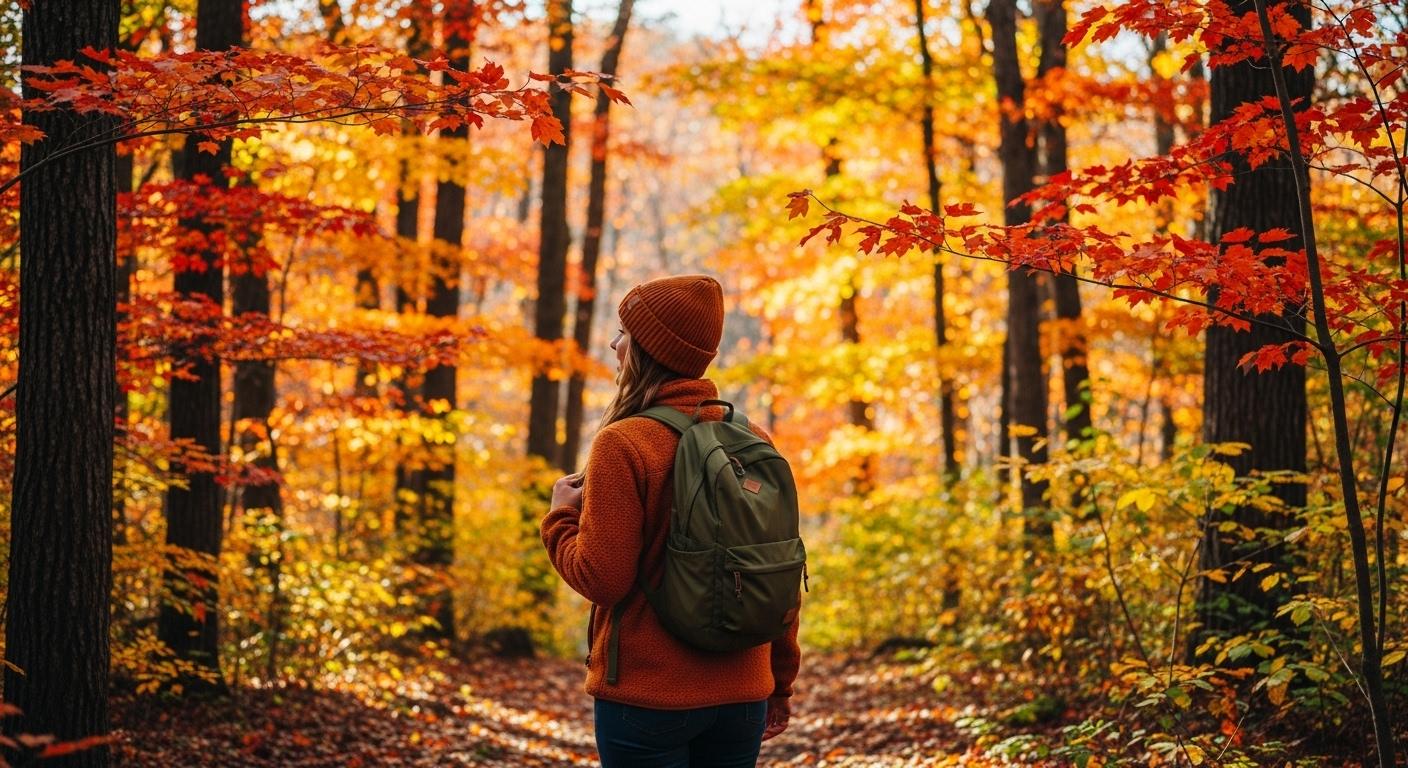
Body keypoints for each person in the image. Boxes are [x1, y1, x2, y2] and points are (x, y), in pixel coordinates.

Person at [541, 274, 801, 767]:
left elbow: (604, 579)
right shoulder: (754, 439)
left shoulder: (625, 443)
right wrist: (779, 683)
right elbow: (777, 572)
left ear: (645, 349)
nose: (615, 344)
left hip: (648, 697)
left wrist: (560, 520)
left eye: (623, 332)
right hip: (743, 694)